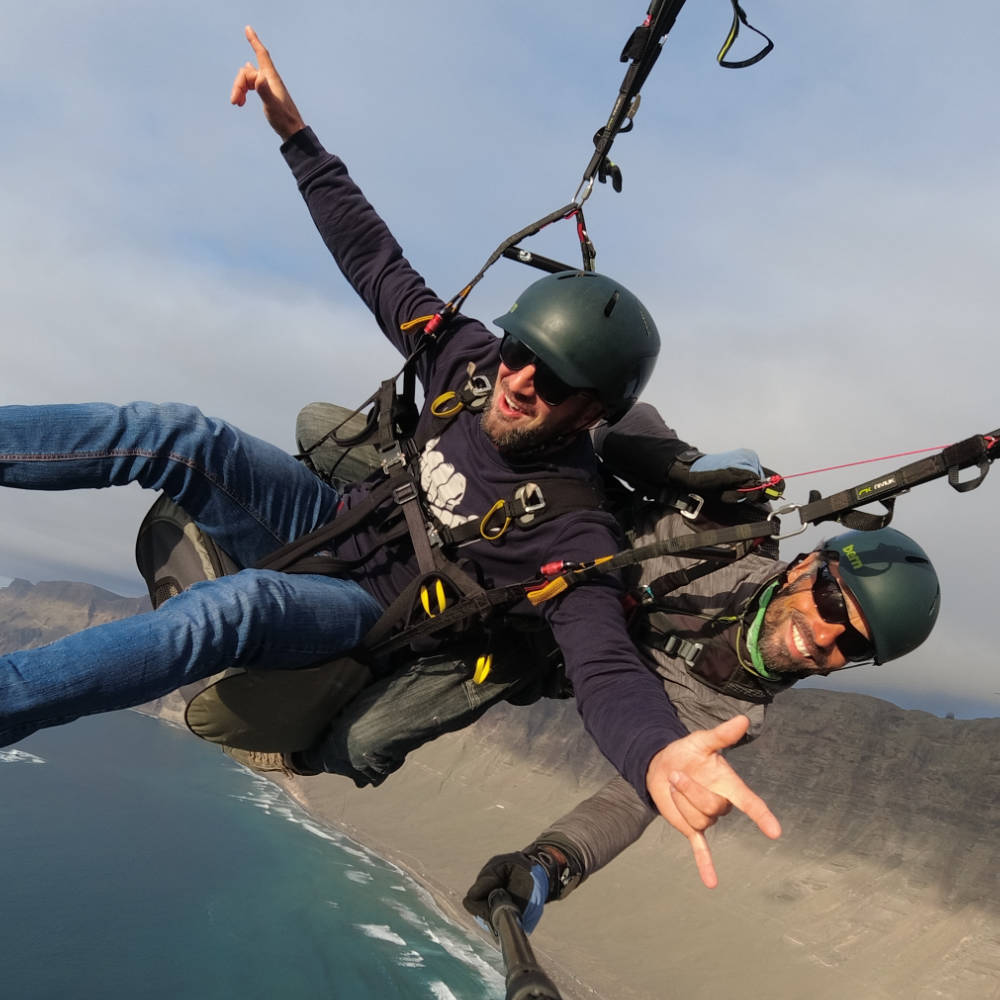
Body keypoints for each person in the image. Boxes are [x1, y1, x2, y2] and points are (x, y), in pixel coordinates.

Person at [0, 26, 776, 883]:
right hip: (333, 514)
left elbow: (601, 666)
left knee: (234, 612)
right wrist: (297, 137)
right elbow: (375, 261)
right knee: (181, 434)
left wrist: (657, 754)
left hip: (370, 607)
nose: (519, 382)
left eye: (552, 383)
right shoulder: (470, 362)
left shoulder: (574, 528)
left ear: (595, 410)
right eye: (520, 353)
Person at [460, 517, 940, 928]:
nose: (824, 634)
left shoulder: (728, 715)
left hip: (488, 653)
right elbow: (606, 428)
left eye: (854, 645)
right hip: (485, 543)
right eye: (832, 601)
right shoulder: (719, 532)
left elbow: (639, 794)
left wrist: (547, 866)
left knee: (381, 742)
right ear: (803, 567)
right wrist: (674, 464)